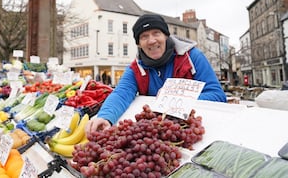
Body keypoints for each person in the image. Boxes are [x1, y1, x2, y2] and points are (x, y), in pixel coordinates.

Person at [85, 14, 227, 136]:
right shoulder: (136, 68)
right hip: (158, 133)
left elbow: (217, 95)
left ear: (165, 35)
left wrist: (175, 100)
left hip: (197, 130)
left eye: (156, 33)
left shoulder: (192, 57)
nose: (152, 40)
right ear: (139, 44)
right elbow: (121, 94)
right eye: (144, 36)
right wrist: (105, 117)